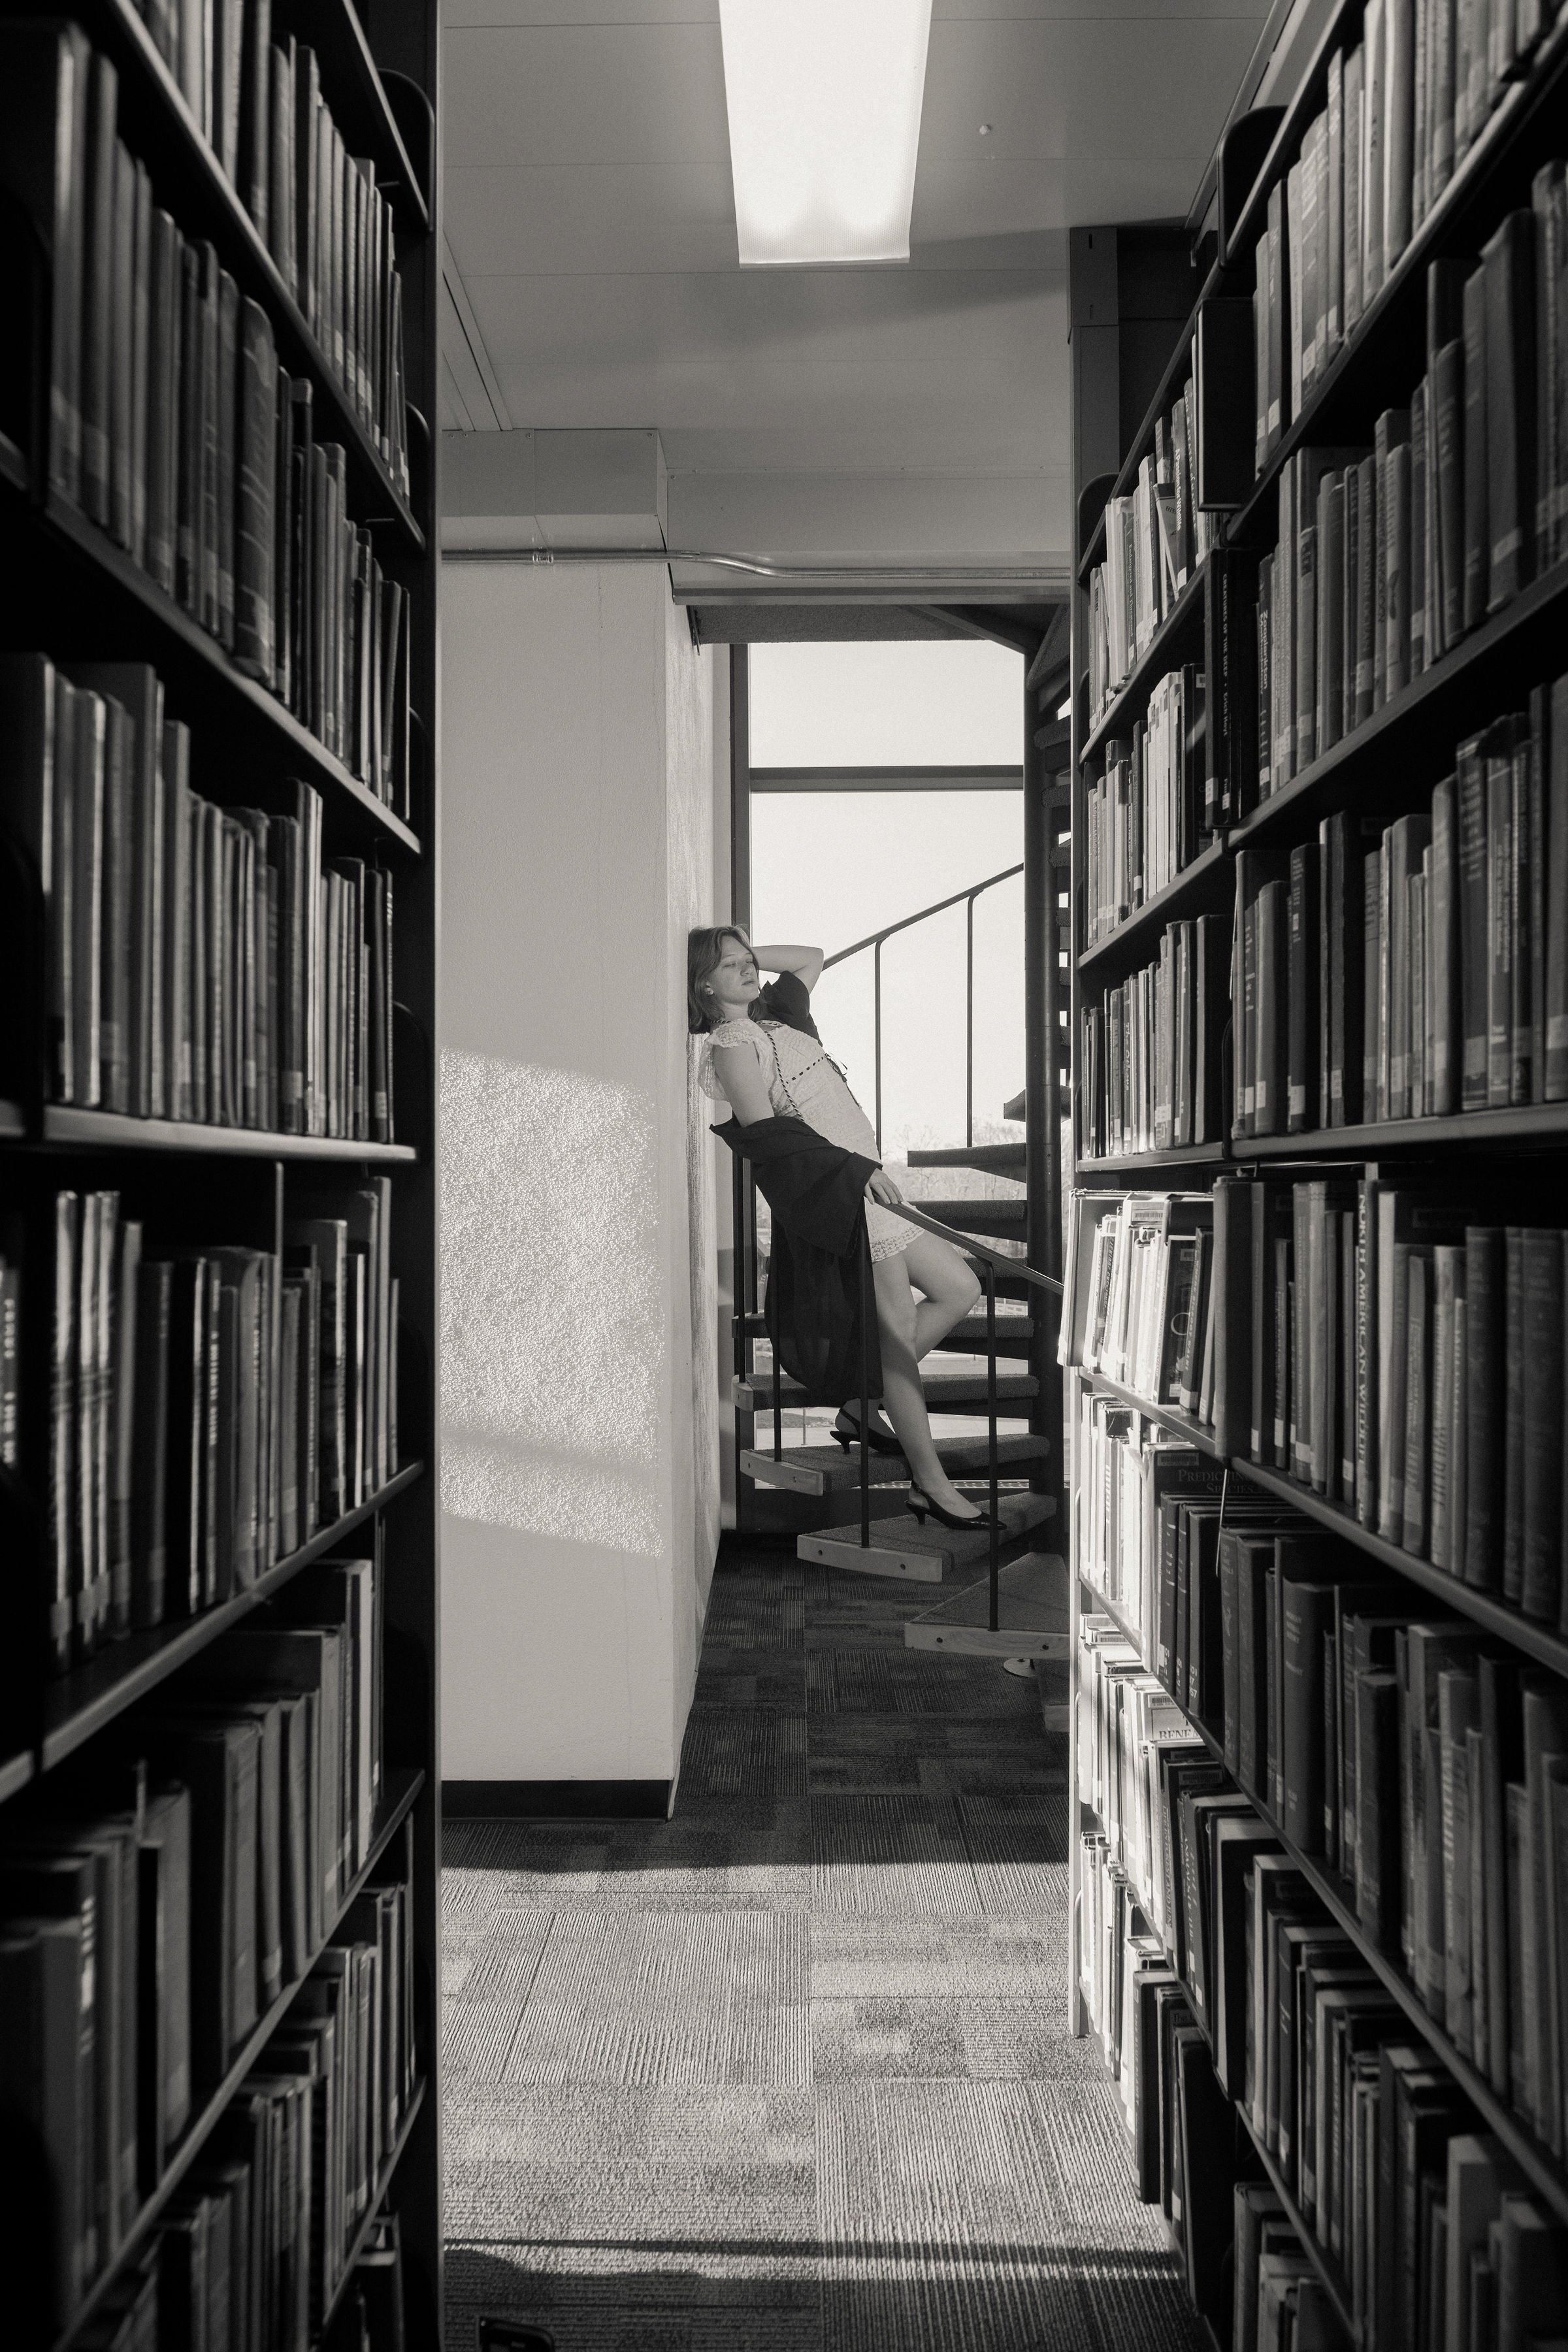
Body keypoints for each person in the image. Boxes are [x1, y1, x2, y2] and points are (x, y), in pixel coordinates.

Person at [691, 924, 993, 1529]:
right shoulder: (732, 1043)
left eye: (747, 960)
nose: (748, 970)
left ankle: (863, 1405)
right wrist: (853, 1174)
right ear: (704, 985)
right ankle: (929, 1483)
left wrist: (743, 947)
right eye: (730, 966)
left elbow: (811, 957)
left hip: (871, 1184)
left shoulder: (779, 1019)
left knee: (961, 1288)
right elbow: (768, 1134)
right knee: (898, 1338)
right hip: (846, 1193)